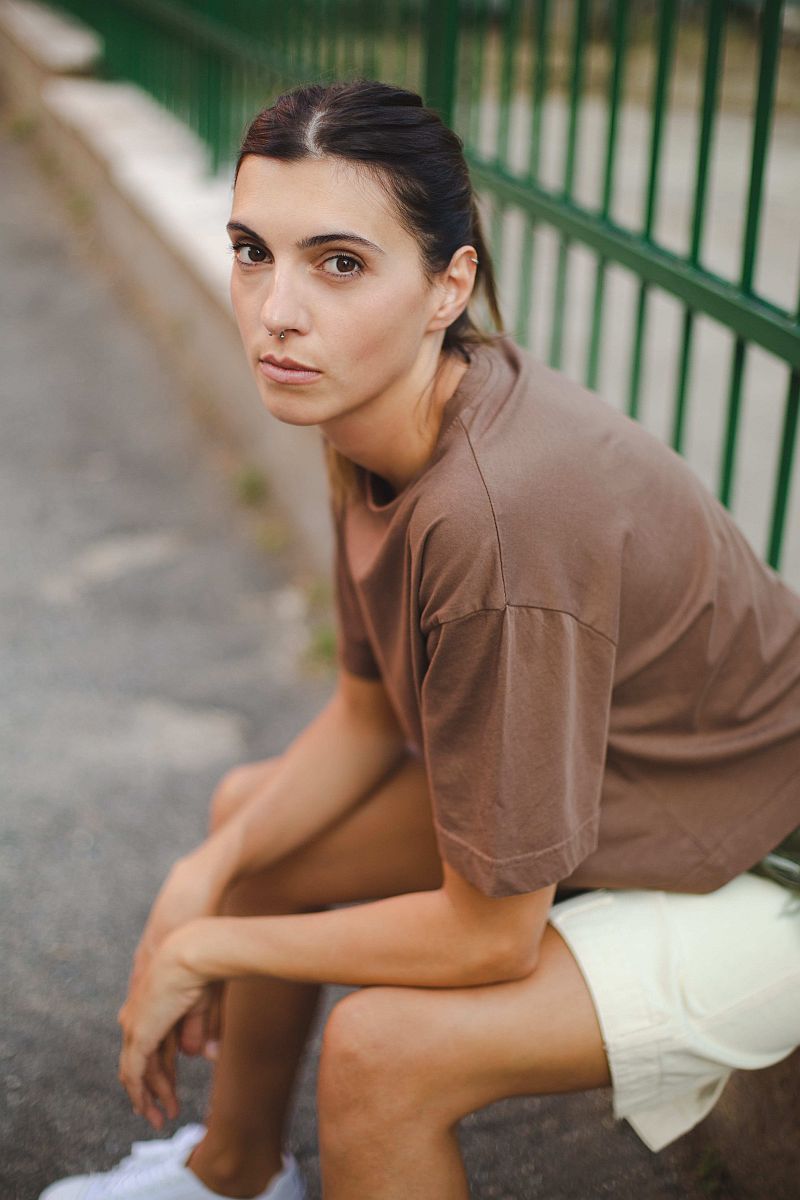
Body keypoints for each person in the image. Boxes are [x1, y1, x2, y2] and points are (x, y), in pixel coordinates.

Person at [40, 79, 800, 1200]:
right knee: (252, 822)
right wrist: (208, 872)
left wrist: (208, 945)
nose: (276, 310)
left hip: (759, 867)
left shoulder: (499, 517)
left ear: (449, 284)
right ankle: (232, 1172)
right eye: (253, 252)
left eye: (339, 263)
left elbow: (489, 940)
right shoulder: (366, 404)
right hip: (623, 796)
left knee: (382, 1055)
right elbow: (364, 718)